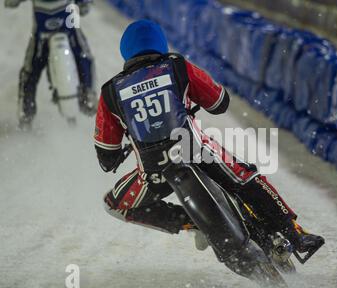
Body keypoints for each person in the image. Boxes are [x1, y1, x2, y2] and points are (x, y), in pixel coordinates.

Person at [94, 20, 324, 255]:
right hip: (197, 152)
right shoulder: (176, 66)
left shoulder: (110, 91)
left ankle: (191, 221)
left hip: (154, 174)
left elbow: (106, 156)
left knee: (114, 205)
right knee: (245, 178)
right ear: (160, 44)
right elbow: (219, 102)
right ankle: (294, 233)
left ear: (125, 51)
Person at [4, 0, 96, 129]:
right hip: (62, 31)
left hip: (45, 34)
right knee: (84, 55)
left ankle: (26, 115)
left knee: (30, 72)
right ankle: (88, 94)